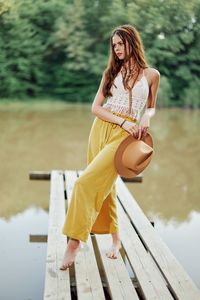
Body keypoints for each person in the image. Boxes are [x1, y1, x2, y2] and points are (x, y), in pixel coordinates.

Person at [60, 24, 160, 270]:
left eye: (120, 43)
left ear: (132, 42)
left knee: (85, 183)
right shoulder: (110, 73)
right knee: (105, 186)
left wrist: (146, 116)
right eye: (113, 45)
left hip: (124, 138)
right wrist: (124, 121)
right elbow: (95, 108)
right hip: (102, 129)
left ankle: (73, 243)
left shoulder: (151, 75)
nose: (116, 49)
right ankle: (116, 242)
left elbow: (151, 106)